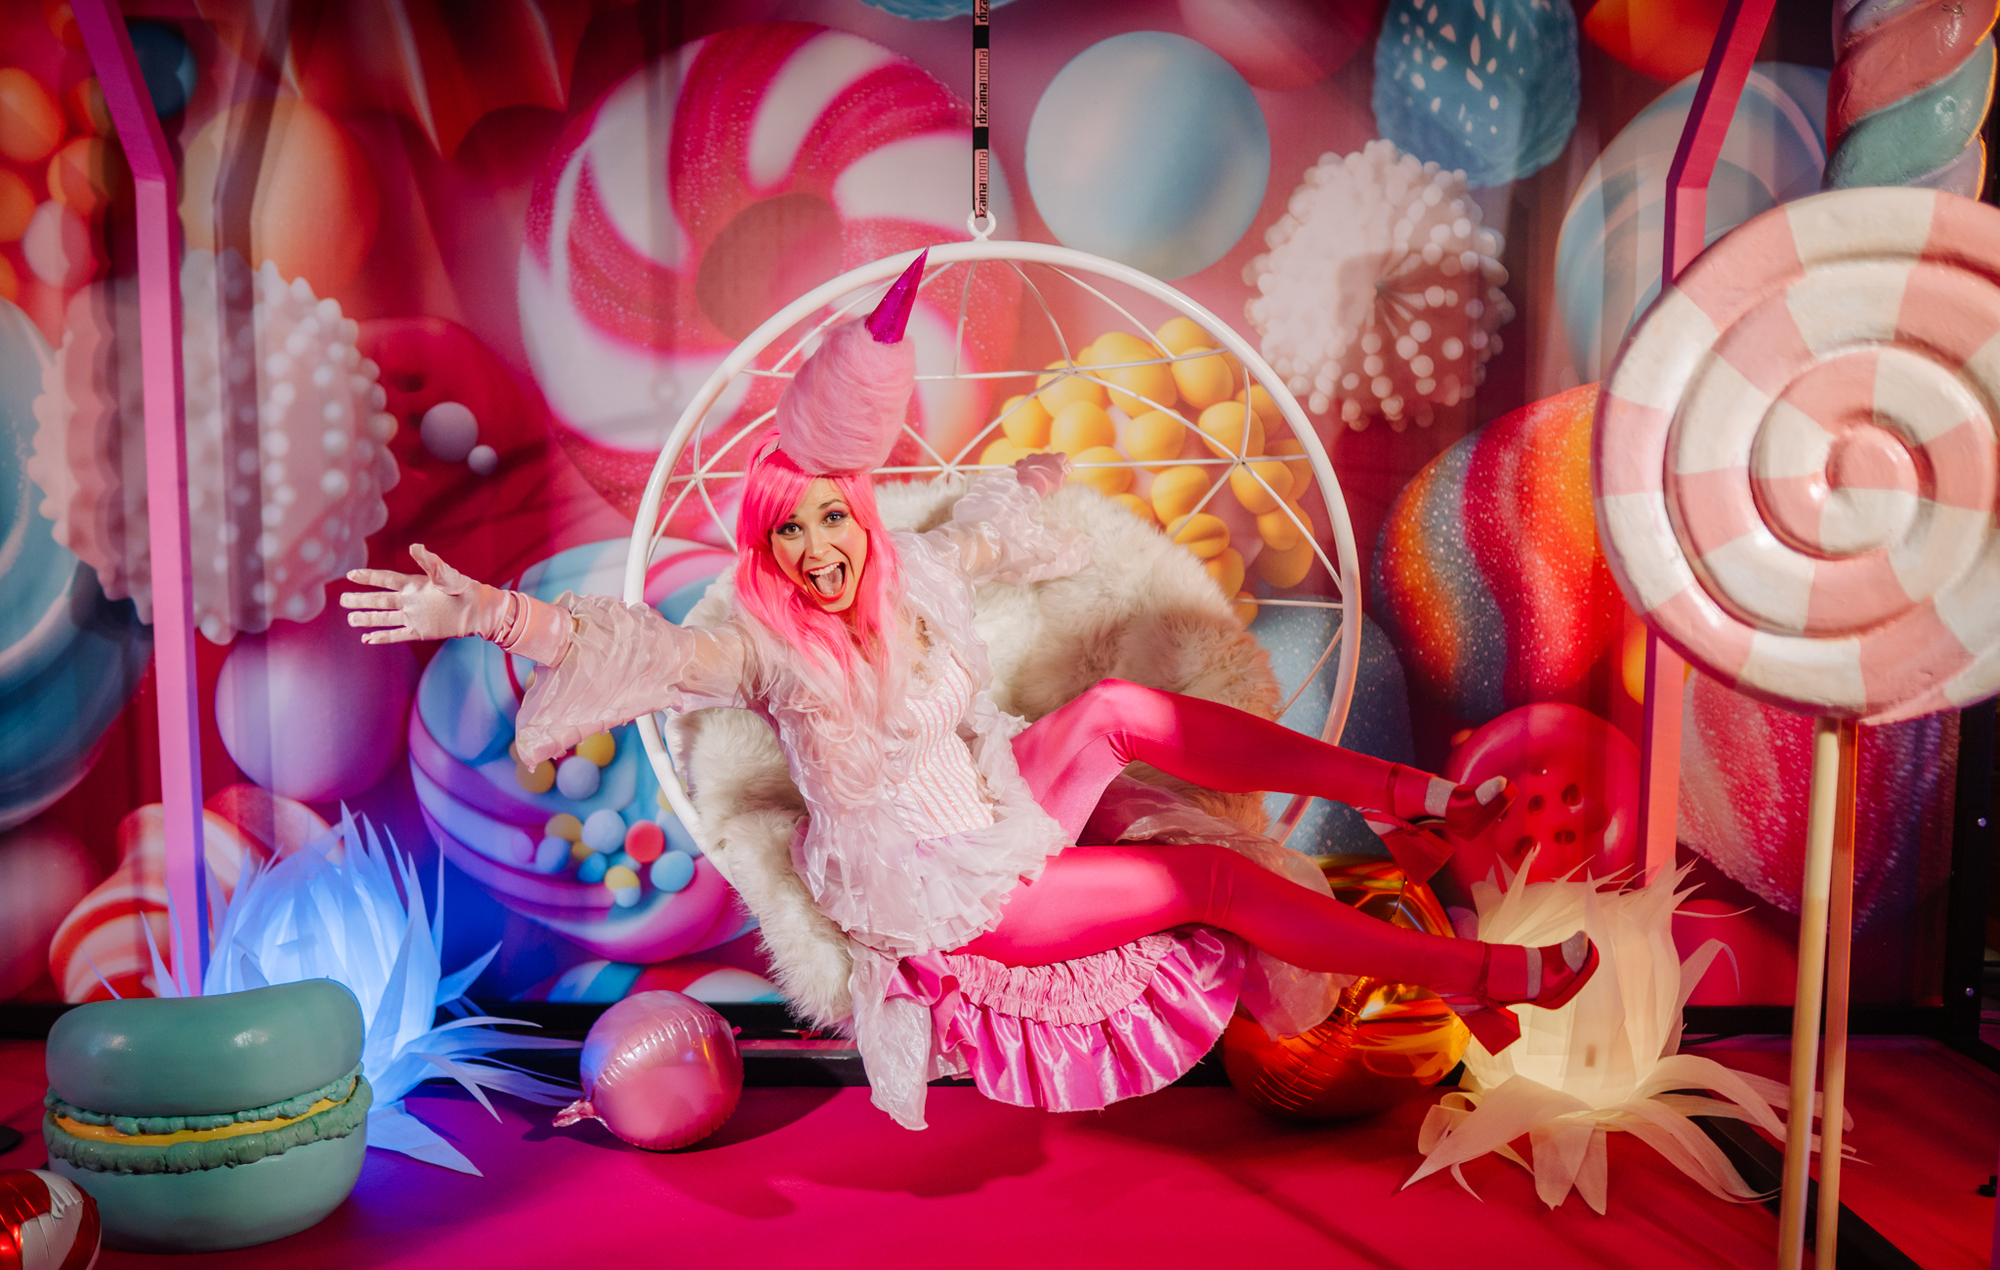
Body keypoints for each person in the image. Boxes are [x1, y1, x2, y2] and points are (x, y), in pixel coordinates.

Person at [345, 253, 1596, 1129]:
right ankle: (1473, 977)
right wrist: (491, 613)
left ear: (859, 512)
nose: (817, 551)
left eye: (831, 519)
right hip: (941, 898)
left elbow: (985, 538)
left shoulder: (914, 574)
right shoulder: (769, 650)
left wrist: (1032, 490)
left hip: (994, 810)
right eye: (788, 535)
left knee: (1112, 711)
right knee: (1205, 882)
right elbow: (652, 651)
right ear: (766, 552)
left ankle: (1407, 792)